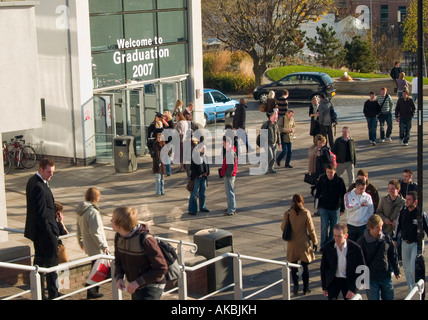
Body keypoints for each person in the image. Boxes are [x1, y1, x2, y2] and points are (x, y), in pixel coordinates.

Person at [112, 206, 168, 300]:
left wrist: (138, 282)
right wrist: (119, 277)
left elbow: (161, 267)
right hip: (136, 284)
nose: (110, 221)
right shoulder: (119, 237)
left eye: (113, 219)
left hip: (152, 284)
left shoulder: (146, 240)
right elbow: (118, 260)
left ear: (120, 224)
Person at [24, 158, 61, 300]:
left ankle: (40, 294)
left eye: (52, 172)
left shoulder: (34, 181)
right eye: (48, 172)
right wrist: (51, 233)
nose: (51, 175)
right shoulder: (38, 186)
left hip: (39, 233)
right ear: (40, 169)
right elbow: (41, 214)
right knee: (51, 265)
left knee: (40, 264)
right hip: (44, 234)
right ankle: (53, 293)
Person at [281, 194, 318, 296]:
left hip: (292, 243)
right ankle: (306, 288)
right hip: (303, 242)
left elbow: (283, 228)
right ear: (302, 201)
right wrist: (315, 242)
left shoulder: (287, 213)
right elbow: (311, 229)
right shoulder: (306, 213)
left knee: (293, 266)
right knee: (305, 265)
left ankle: (296, 286)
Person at [357, 214, 401, 300]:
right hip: (371, 279)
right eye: (377, 227)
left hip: (386, 276)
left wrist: (396, 270)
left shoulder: (386, 238)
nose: (380, 229)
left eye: (381, 226)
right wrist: (361, 279)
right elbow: (359, 261)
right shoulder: (362, 242)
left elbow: (393, 254)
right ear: (370, 228)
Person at [76, 187, 109, 299]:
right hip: (95, 245)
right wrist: (103, 245)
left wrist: (81, 242)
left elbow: (78, 229)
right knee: (97, 268)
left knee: (94, 266)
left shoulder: (82, 211)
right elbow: (95, 231)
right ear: (96, 197)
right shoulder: (93, 212)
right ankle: (91, 290)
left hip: (88, 244)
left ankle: (91, 288)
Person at [320, 223, 365, 300]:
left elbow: (362, 269)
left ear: (346, 235)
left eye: (339, 236)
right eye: (334, 236)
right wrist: (324, 286)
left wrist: (353, 289)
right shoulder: (328, 247)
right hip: (334, 280)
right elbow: (323, 267)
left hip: (348, 281)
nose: (336, 239)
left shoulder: (355, 248)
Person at [394, 191, 428, 292]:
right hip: (405, 243)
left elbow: (427, 227)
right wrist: (395, 238)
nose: (407, 202)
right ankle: (411, 290)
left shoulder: (420, 213)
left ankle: (416, 290)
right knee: (407, 269)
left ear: (415, 201)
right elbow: (398, 225)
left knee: (413, 269)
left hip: (416, 244)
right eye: (406, 199)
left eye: (409, 200)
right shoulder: (403, 210)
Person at [314, 163, 346, 249]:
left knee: (334, 228)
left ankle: (331, 245)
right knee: (324, 227)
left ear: (335, 172)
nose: (329, 174)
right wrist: (317, 205)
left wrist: (342, 208)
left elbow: (343, 196)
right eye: (328, 172)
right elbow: (318, 192)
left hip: (335, 208)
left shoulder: (339, 181)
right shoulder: (322, 179)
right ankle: (323, 245)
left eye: (331, 172)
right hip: (324, 207)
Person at [187, 137, 210, 215]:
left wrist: (207, 172)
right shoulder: (195, 156)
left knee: (202, 193)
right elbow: (192, 168)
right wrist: (199, 174)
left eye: (204, 148)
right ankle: (192, 210)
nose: (204, 149)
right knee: (194, 194)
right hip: (196, 178)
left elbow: (207, 166)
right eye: (202, 148)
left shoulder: (205, 156)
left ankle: (202, 207)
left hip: (203, 177)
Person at [219, 136, 238, 216]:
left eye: (224, 143)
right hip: (230, 174)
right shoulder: (231, 151)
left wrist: (226, 174)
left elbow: (231, 166)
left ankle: (231, 209)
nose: (223, 144)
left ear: (228, 143)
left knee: (229, 192)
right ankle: (231, 207)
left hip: (229, 175)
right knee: (230, 192)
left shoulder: (230, 152)